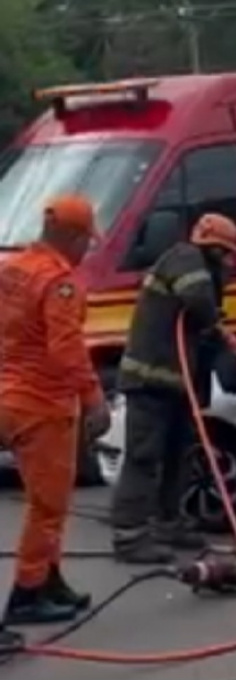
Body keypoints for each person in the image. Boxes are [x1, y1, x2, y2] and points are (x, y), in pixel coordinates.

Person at [110, 213, 236, 564]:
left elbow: (203, 329)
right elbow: (200, 303)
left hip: (175, 384)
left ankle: (169, 526)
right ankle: (130, 538)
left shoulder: (197, 266)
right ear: (214, 249)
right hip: (150, 381)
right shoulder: (185, 259)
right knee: (144, 458)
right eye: (228, 255)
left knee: (177, 456)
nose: (231, 265)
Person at [0, 195, 110, 626]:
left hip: (9, 398)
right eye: (86, 240)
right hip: (42, 405)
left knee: (51, 502)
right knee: (47, 506)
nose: (87, 249)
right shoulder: (58, 281)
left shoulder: (13, 270)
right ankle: (28, 594)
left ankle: (49, 579)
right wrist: (93, 397)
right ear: (71, 236)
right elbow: (65, 349)